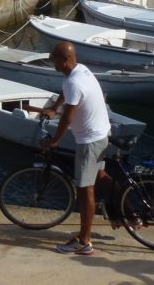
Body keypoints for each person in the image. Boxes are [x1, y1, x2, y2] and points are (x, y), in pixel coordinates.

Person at [40, 41, 112, 256]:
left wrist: (54, 141)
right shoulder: (81, 71)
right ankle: (128, 209)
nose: (53, 63)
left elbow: (68, 118)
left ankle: (84, 242)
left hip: (89, 141)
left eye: (55, 60)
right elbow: (69, 93)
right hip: (102, 133)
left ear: (66, 60)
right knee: (100, 176)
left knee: (84, 189)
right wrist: (54, 107)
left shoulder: (73, 82)